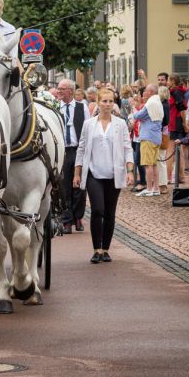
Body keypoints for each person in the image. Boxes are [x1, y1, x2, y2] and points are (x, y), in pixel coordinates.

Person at [73, 89, 134, 263]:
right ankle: (96, 249)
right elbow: (82, 149)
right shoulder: (89, 124)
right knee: (97, 210)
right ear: (98, 103)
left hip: (114, 174)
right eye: (104, 101)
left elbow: (127, 148)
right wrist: (77, 173)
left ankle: (105, 248)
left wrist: (129, 171)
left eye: (110, 101)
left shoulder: (120, 124)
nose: (107, 105)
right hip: (94, 173)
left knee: (109, 213)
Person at [58, 78, 89, 232]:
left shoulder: (82, 107)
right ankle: (67, 220)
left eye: (62, 89)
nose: (59, 91)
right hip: (63, 150)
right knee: (64, 187)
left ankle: (78, 217)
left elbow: (88, 128)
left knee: (80, 187)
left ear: (70, 91)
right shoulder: (56, 107)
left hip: (78, 150)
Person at [131, 83, 163, 196]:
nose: (144, 92)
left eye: (146, 91)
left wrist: (135, 112)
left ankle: (149, 189)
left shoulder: (150, 103)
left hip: (148, 136)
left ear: (150, 92)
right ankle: (155, 188)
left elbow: (139, 115)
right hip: (156, 136)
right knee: (154, 164)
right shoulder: (158, 102)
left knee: (148, 164)